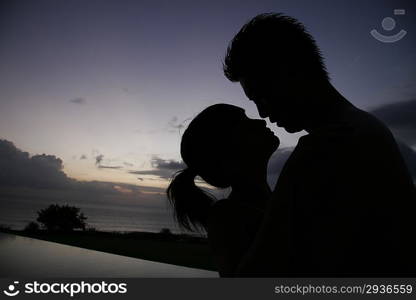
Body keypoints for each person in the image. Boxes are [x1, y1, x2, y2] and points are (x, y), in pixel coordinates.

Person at [223, 13, 416, 276]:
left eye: (261, 95)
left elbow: (256, 274)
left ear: (290, 71)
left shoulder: (324, 149)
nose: (262, 113)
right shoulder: (367, 127)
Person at [167, 103, 279, 276]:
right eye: (244, 121)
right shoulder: (227, 216)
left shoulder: (278, 199)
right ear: (227, 148)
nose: (261, 122)